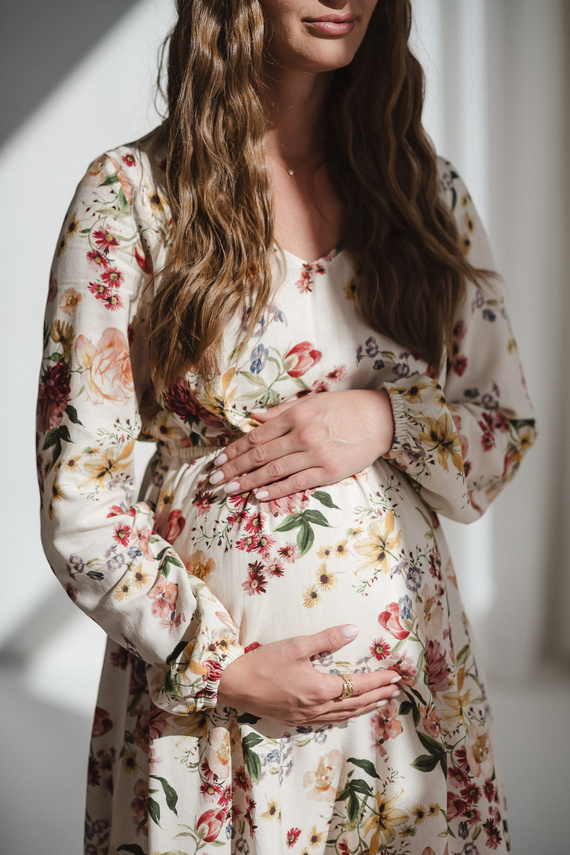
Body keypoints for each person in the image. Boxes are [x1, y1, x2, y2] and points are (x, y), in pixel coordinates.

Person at [36, 1, 536, 853]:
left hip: (406, 705)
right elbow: (79, 494)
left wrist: (385, 418)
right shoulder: (129, 196)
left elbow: (501, 427)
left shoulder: (426, 196)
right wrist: (223, 667)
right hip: (215, 715)